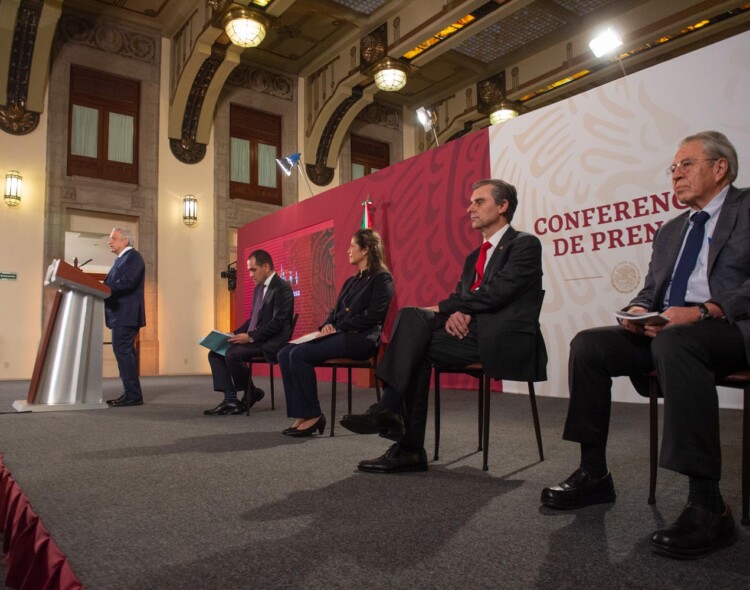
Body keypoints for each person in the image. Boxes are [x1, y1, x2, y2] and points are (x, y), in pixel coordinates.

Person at [540, 131, 750, 560]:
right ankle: (595, 474)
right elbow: (653, 288)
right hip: (670, 330)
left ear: (719, 168)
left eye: (685, 165)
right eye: (672, 168)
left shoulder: (747, 209)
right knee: (589, 345)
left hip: (728, 327)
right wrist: (637, 311)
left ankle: (709, 505)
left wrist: (705, 310)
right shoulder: (672, 229)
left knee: (678, 341)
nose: (675, 175)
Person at [344, 179, 547, 471]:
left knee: (417, 338)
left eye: (479, 202)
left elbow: (499, 293)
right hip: (469, 336)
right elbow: (460, 297)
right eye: (470, 202)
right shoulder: (473, 257)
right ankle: (400, 433)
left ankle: (399, 430)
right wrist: (454, 311)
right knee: (412, 320)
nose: (470, 209)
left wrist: (452, 308)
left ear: (503, 206)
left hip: (503, 338)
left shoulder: (524, 244)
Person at [277, 228, 394, 437]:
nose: (348, 250)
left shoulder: (382, 278)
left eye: (352, 246)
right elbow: (335, 311)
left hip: (361, 339)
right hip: (341, 334)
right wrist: (327, 326)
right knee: (284, 353)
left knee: (299, 354)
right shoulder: (351, 280)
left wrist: (339, 327)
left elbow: (374, 315)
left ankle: (313, 415)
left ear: (366, 249)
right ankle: (301, 413)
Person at [205, 250, 294, 415]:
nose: (250, 274)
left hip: (271, 341)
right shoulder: (258, 289)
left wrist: (251, 337)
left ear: (266, 267)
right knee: (215, 353)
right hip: (257, 338)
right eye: (249, 270)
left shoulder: (283, 288)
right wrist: (232, 334)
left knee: (232, 354)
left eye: (253, 269)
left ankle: (250, 392)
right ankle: (231, 400)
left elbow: (278, 323)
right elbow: (252, 320)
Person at [104, 227, 146, 408]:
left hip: (127, 314)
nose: (109, 241)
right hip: (120, 314)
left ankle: (133, 395)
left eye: (113, 238)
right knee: (123, 353)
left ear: (125, 241)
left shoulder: (134, 257)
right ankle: (129, 392)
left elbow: (129, 282)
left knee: (124, 352)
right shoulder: (121, 260)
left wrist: (105, 288)